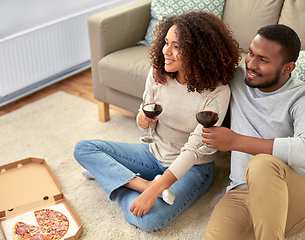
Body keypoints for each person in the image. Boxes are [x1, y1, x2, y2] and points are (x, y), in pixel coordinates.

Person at [73, 11, 241, 232]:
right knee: (84, 149)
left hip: (193, 168)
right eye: (165, 42)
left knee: (149, 219)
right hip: (152, 154)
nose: (165, 51)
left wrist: (155, 192)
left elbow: (194, 150)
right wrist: (142, 119)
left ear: (199, 52)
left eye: (176, 46)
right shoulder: (158, 74)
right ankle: (141, 183)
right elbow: (145, 117)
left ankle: (116, 179)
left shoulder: (216, 92)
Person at [201, 24, 305, 239]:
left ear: (288, 68)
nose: (251, 64)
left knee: (261, 163)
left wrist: (236, 141)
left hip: (295, 195)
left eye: (263, 60)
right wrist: (160, 69)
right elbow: (195, 66)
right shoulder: (239, 77)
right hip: (241, 192)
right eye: (251, 53)